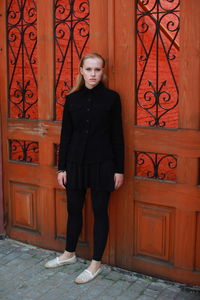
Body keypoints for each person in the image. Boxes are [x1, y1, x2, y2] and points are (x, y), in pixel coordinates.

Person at [45, 53, 124, 284]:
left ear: (103, 72)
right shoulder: (72, 99)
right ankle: (69, 254)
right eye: (88, 69)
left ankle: (95, 264)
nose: (92, 74)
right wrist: (61, 169)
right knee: (73, 210)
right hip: (75, 164)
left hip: (103, 165)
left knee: (100, 212)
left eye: (97, 70)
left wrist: (118, 170)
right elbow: (66, 135)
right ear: (81, 70)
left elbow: (117, 136)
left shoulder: (112, 98)